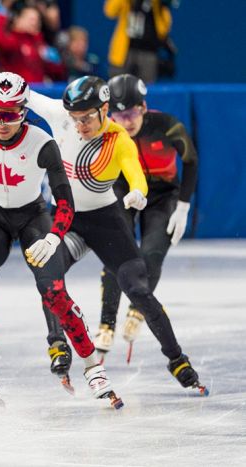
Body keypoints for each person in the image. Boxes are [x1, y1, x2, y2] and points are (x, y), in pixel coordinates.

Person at [0, 73, 205, 394]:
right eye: (74, 119)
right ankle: (57, 343)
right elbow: (20, 95)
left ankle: (177, 358)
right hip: (67, 220)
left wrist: (138, 191)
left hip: (106, 221)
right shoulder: (60, 116)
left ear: (104, 109)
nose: (79, 126)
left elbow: (134, 172)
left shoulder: (118, 138)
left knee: (137, 289)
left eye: (86, 118)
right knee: (49, 277)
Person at [0, 72, 120, 407]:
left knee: (53, 290)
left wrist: (53, 236)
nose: (2, 123)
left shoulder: (42, 143)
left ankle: (93, 365)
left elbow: (65, 202)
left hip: (33, 216)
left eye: (11, 115)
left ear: (24, 111)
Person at [94, 73, 198, 357]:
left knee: (151, 253)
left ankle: (137, 311)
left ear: (142, 107)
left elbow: (191, 160)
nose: (125, 122)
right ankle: (106, 323)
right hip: (123, 190)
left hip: (163, 196)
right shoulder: (107, 131)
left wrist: (184, 205)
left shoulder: (167, 126)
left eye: (130, 114)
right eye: (118, 115)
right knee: (117, 253)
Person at [0, 4, 65, 83]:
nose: (35, 23)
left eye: (37, 19)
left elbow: (57, 72)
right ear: (18, 20)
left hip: (38, 91)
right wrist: (2, 13)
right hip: (17, 92)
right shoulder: (13, 40)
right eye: (31, 19)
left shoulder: (39, 43)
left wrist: (54, 62)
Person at [104, 0, 172, 82]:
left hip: (148, 52)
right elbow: (110, 11)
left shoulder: (156, 3)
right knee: (118, 89)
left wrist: (161, 6)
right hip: (124, 52)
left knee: (146, 90)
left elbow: (163, 30)